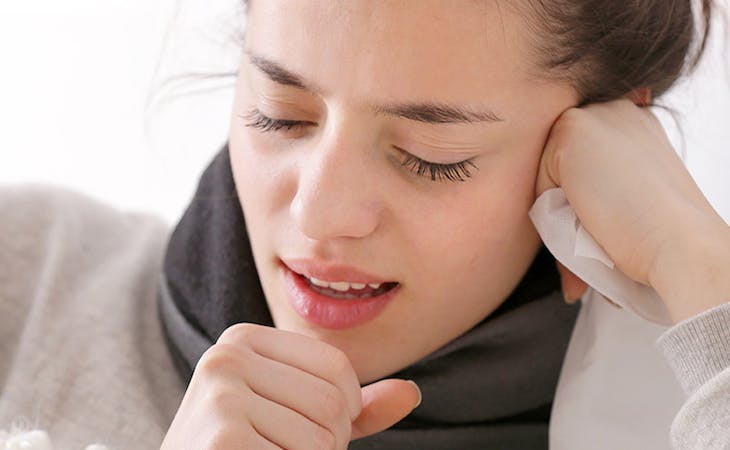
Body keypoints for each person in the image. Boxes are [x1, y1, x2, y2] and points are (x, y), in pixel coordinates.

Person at [1, 0, 728, 449]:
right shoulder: (24, 274)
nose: (320, 215)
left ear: (603, 141)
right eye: (279, 115)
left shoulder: (680, 420)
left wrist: (699, 266)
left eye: (430, 157)